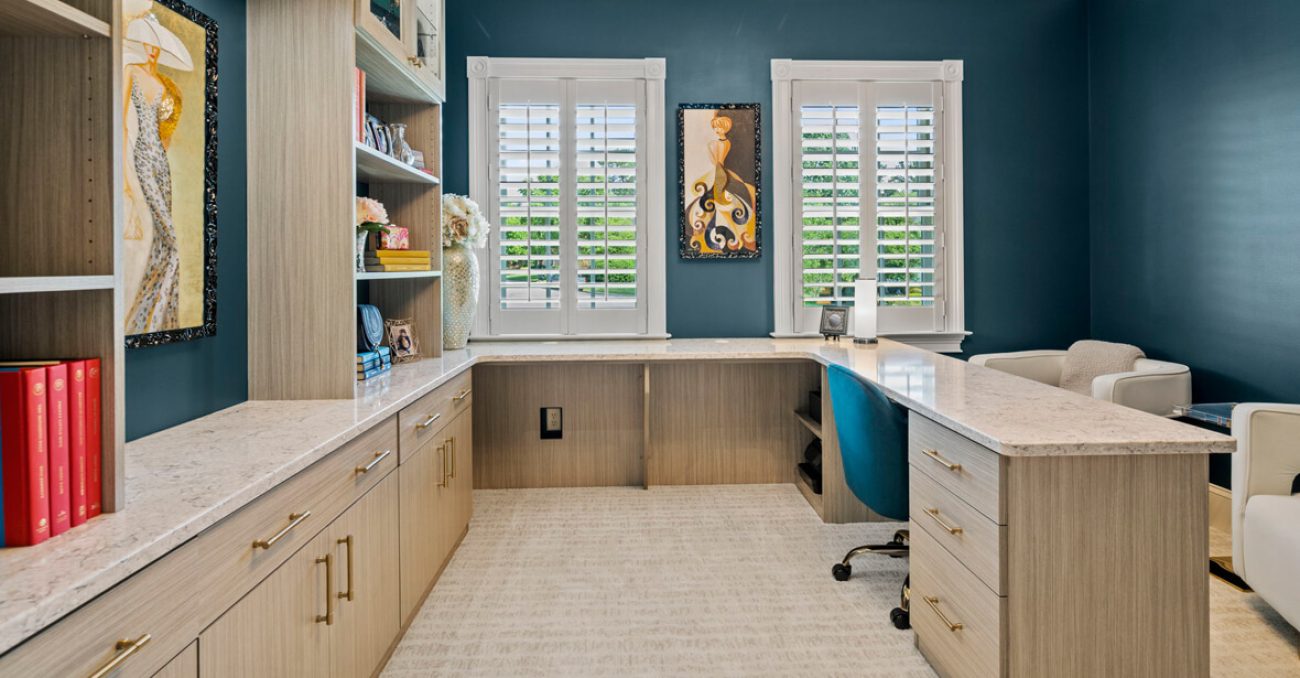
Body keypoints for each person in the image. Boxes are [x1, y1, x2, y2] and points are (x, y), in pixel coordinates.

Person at [122, 11, 192, 334]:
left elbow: (164, 134)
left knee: (165, 246)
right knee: (172, 242)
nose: (152, 49)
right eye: (147, 42)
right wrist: (126, 181)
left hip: (161, 163)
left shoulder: (164, 86)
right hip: (143, 160)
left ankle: (161, 321)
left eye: (156, 44)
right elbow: (122, 124)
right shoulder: (131, 73)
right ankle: (147, 317)